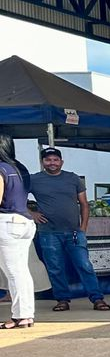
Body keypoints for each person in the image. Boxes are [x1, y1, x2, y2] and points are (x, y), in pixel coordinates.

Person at [28, 145, 110, 312]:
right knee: (55, 268)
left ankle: (97, 299)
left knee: (84, 265)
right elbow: (15, 196)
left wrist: (83, 227)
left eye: (55, 159)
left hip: (74, 232)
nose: (52, 163)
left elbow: (84, 204)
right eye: (48, 160)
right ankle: (62, 300)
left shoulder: (73, 178)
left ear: (61, 162)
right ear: (42, 162)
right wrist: (31, 213)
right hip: (48, 232)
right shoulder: (34, 179)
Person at [0, 134, 36, 329]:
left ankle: (21, 316)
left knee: (14, 272)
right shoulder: (20, 168)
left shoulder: (1, 169)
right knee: (21, 271)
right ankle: (26, 314)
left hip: (7, 222)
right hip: (24, 221)